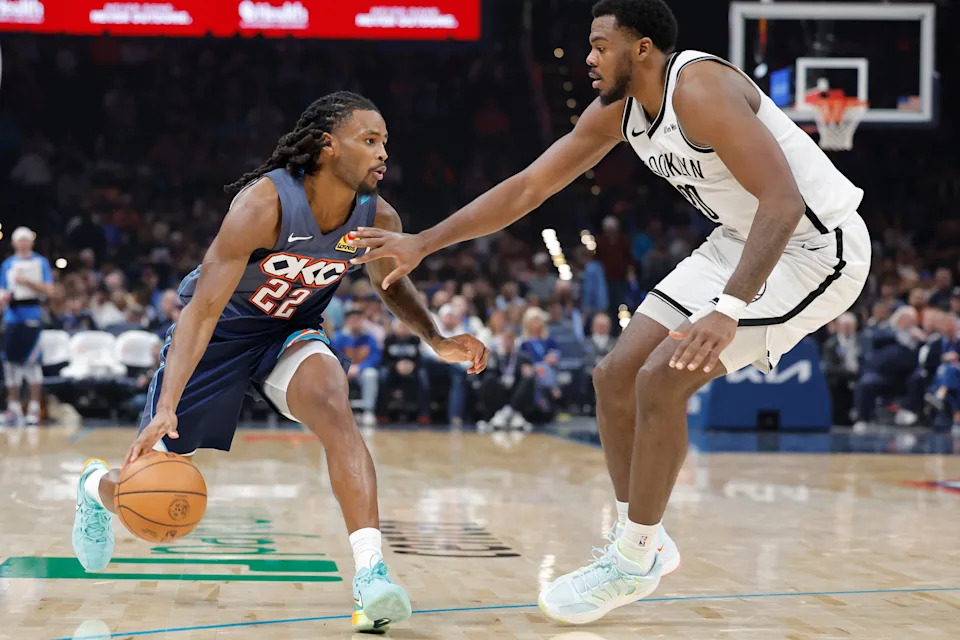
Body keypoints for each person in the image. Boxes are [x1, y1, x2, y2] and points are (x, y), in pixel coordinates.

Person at [347, 0, 870, 624]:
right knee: (614, 375)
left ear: (642, 48)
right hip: (739, 236)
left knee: (663, 379)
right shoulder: (620, 112)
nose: (588, 59)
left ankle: (632, 556)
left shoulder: (699, 88)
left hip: (815, 248)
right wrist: (424, 240)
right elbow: (528, 187)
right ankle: (642, 540)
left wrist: (729, 307)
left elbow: (783, 202)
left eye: (600, 46)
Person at [70, 92, 489, 633]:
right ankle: (96, 488)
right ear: (326, 145)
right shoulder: (262, 206)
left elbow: (390, 281)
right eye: (369, 140)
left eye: (385, 142)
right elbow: (201, 312)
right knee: (160, 486)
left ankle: (372, 577)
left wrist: (435, 337)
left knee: (336, 408)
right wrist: (167, 405)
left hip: (290, 333)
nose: (384, 153)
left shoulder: (375, 213)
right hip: (218, 339)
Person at [0, 226, 54, 426]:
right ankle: (13, 407)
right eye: (19, 240)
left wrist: (27, 281)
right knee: (10, 363)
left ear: (31, 241)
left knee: (32, 363)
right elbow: (3, 289)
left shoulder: (40, 262)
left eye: (26, 239)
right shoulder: (7, 264)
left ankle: (33, 407)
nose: (23, 243)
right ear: (14, 243)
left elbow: (49, 290)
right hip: (12, 318)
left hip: (32, 316)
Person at [333, 308, 382, 427]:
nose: (355, 322)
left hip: (362, 371)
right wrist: (346, 368)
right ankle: (338, 412)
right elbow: (334, 356)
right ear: (347, 322)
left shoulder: (370, 338)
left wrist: (360, 368)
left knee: (371, 375)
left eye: (358, 320)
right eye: (352, 320)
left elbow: (375, 357)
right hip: (343, 370)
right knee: (333, 376)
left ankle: (368, 411)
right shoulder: (339, 337)